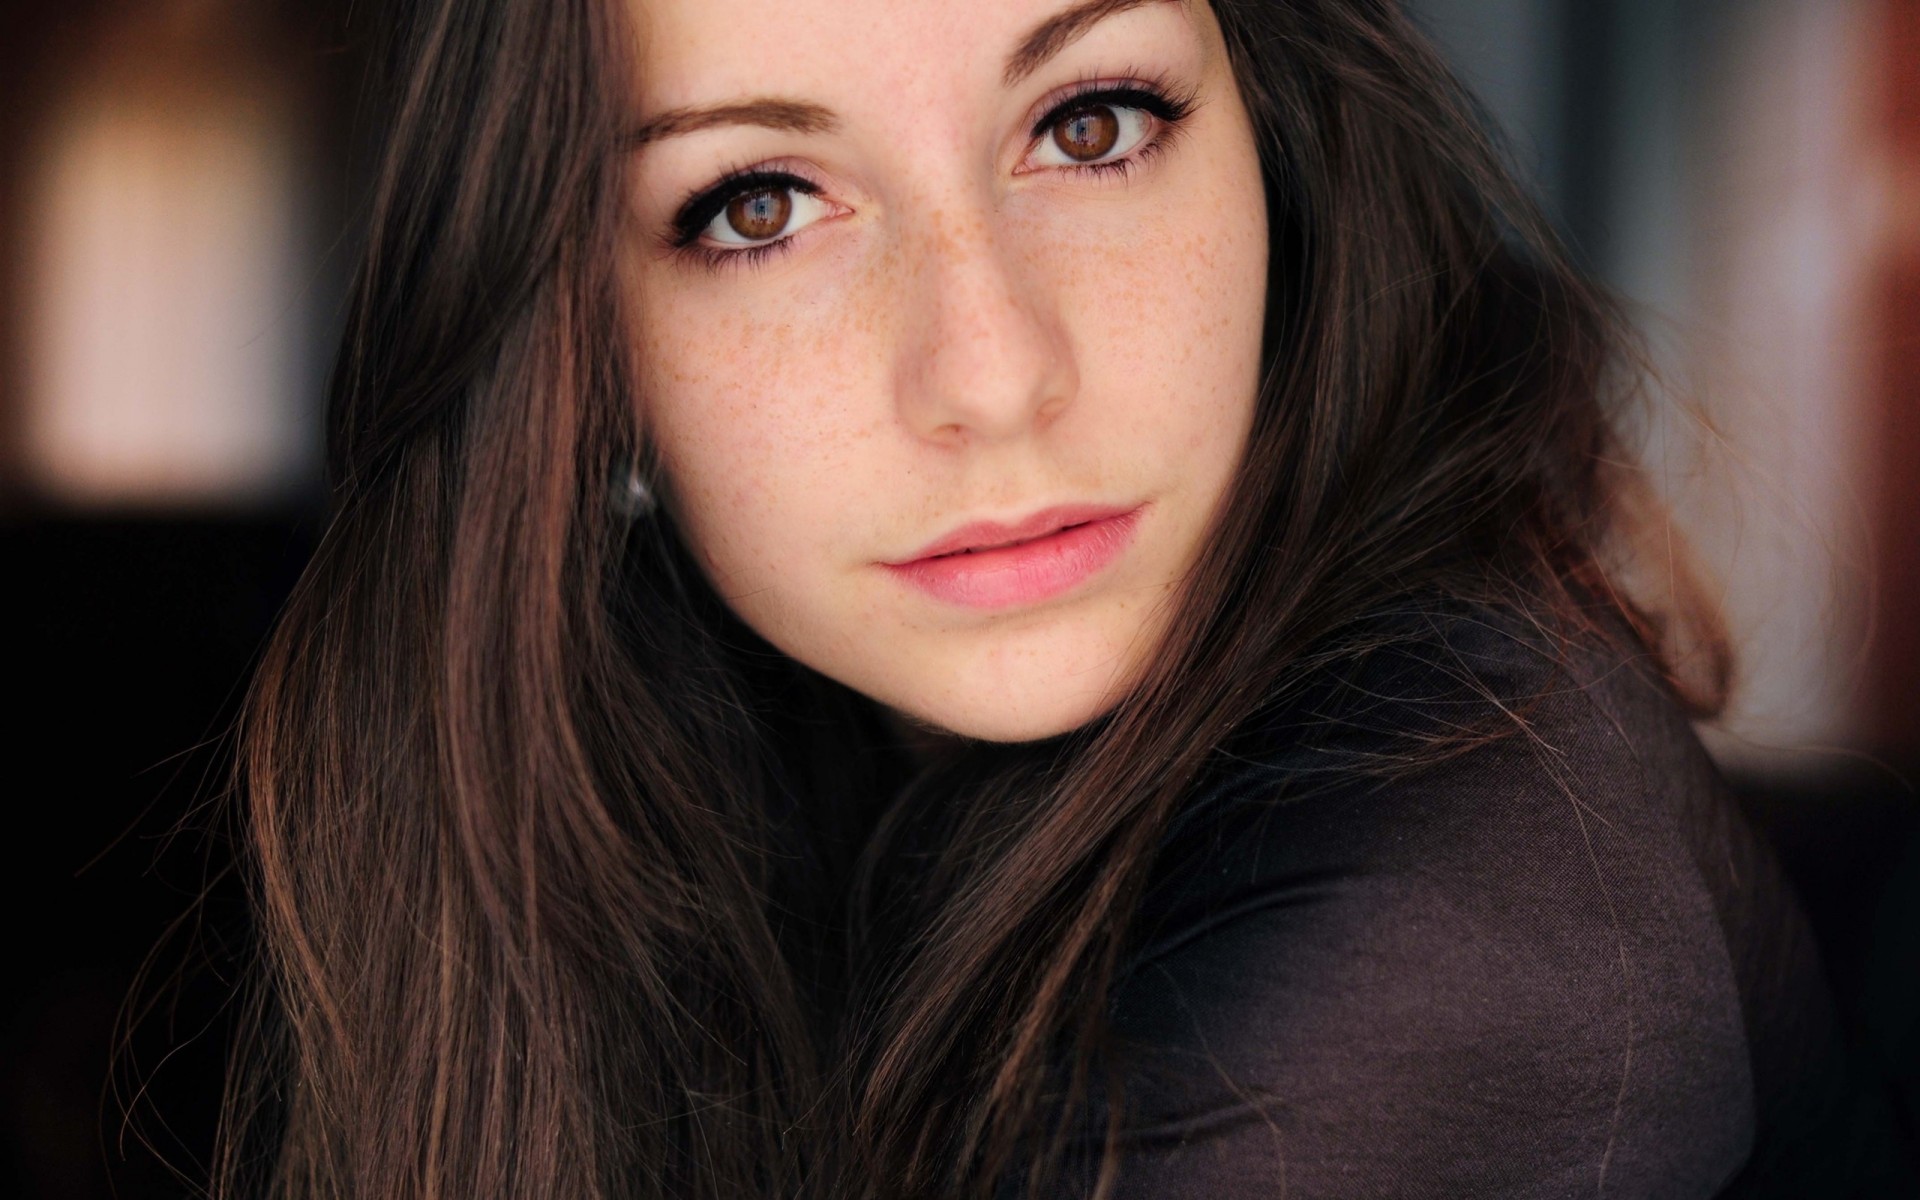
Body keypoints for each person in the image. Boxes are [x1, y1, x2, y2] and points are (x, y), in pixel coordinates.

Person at [214, 0, 1897, 1196]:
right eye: (761, 205)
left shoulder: (1439, 908)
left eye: (1091, 125)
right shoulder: (642, 795)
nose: (994, 372)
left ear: (1279, 145)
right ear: (577, 347)